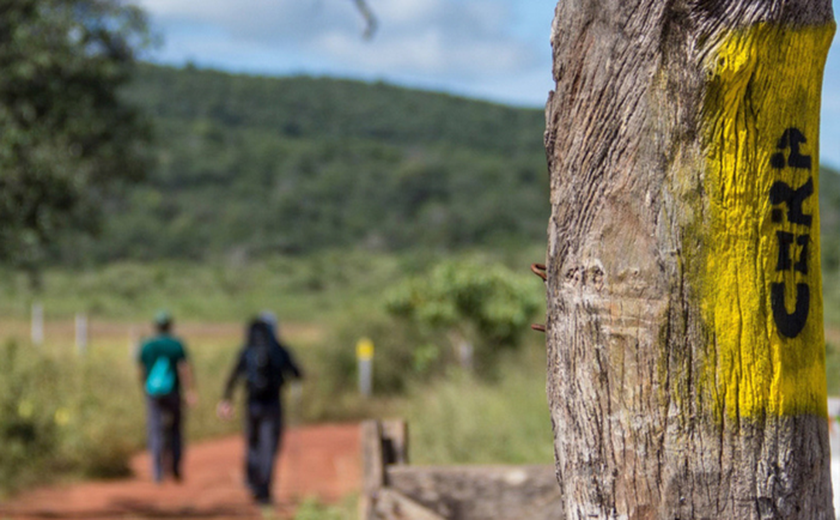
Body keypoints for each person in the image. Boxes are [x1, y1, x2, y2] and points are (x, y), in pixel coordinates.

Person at [217, 316, 303, 504]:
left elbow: (234, 376)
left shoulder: (247, 350)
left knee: (253, 444)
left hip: (252, 404)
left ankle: (252, 480)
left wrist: (226, 399)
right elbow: (297, 373)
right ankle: (264, 488)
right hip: (273, 405)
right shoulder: (279, 350)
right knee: (269, 447)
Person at [137, 311, 197, 483]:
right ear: (170, 325)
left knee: (155, 430)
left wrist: (144, 388)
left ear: (155, 326)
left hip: (153, 393)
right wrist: (190, 391)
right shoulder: (176, 345)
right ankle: (176, 468)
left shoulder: (147, 346)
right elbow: (184, 369)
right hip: (173, 393)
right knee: (176, 429)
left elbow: (140, 371)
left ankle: (157, 472)